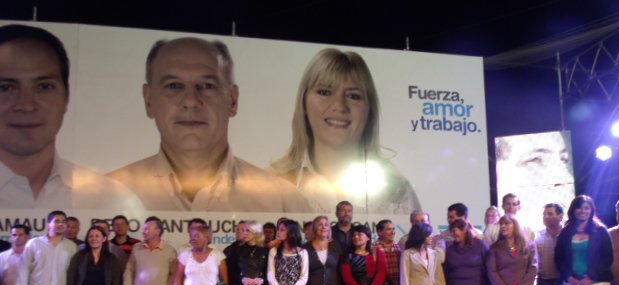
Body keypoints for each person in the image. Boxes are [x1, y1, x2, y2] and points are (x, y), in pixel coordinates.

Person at [107, 37, 309, 212]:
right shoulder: (108, 195)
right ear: (149, 101)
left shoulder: (284, 202)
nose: (191, 101)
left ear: (232, 100)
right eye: (174, 86)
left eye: (207, 86)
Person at [0, 25, 142, 211]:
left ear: (66, 96)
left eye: (44, 87)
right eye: (5, 88)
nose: (27, 105)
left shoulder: (110, 200)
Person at [272, 48, 421, 214]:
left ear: (370, 109)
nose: (339, 106)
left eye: (353, 96)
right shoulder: (273, 185)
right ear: (303, 103)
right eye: (324, 92)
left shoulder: (399, 194)